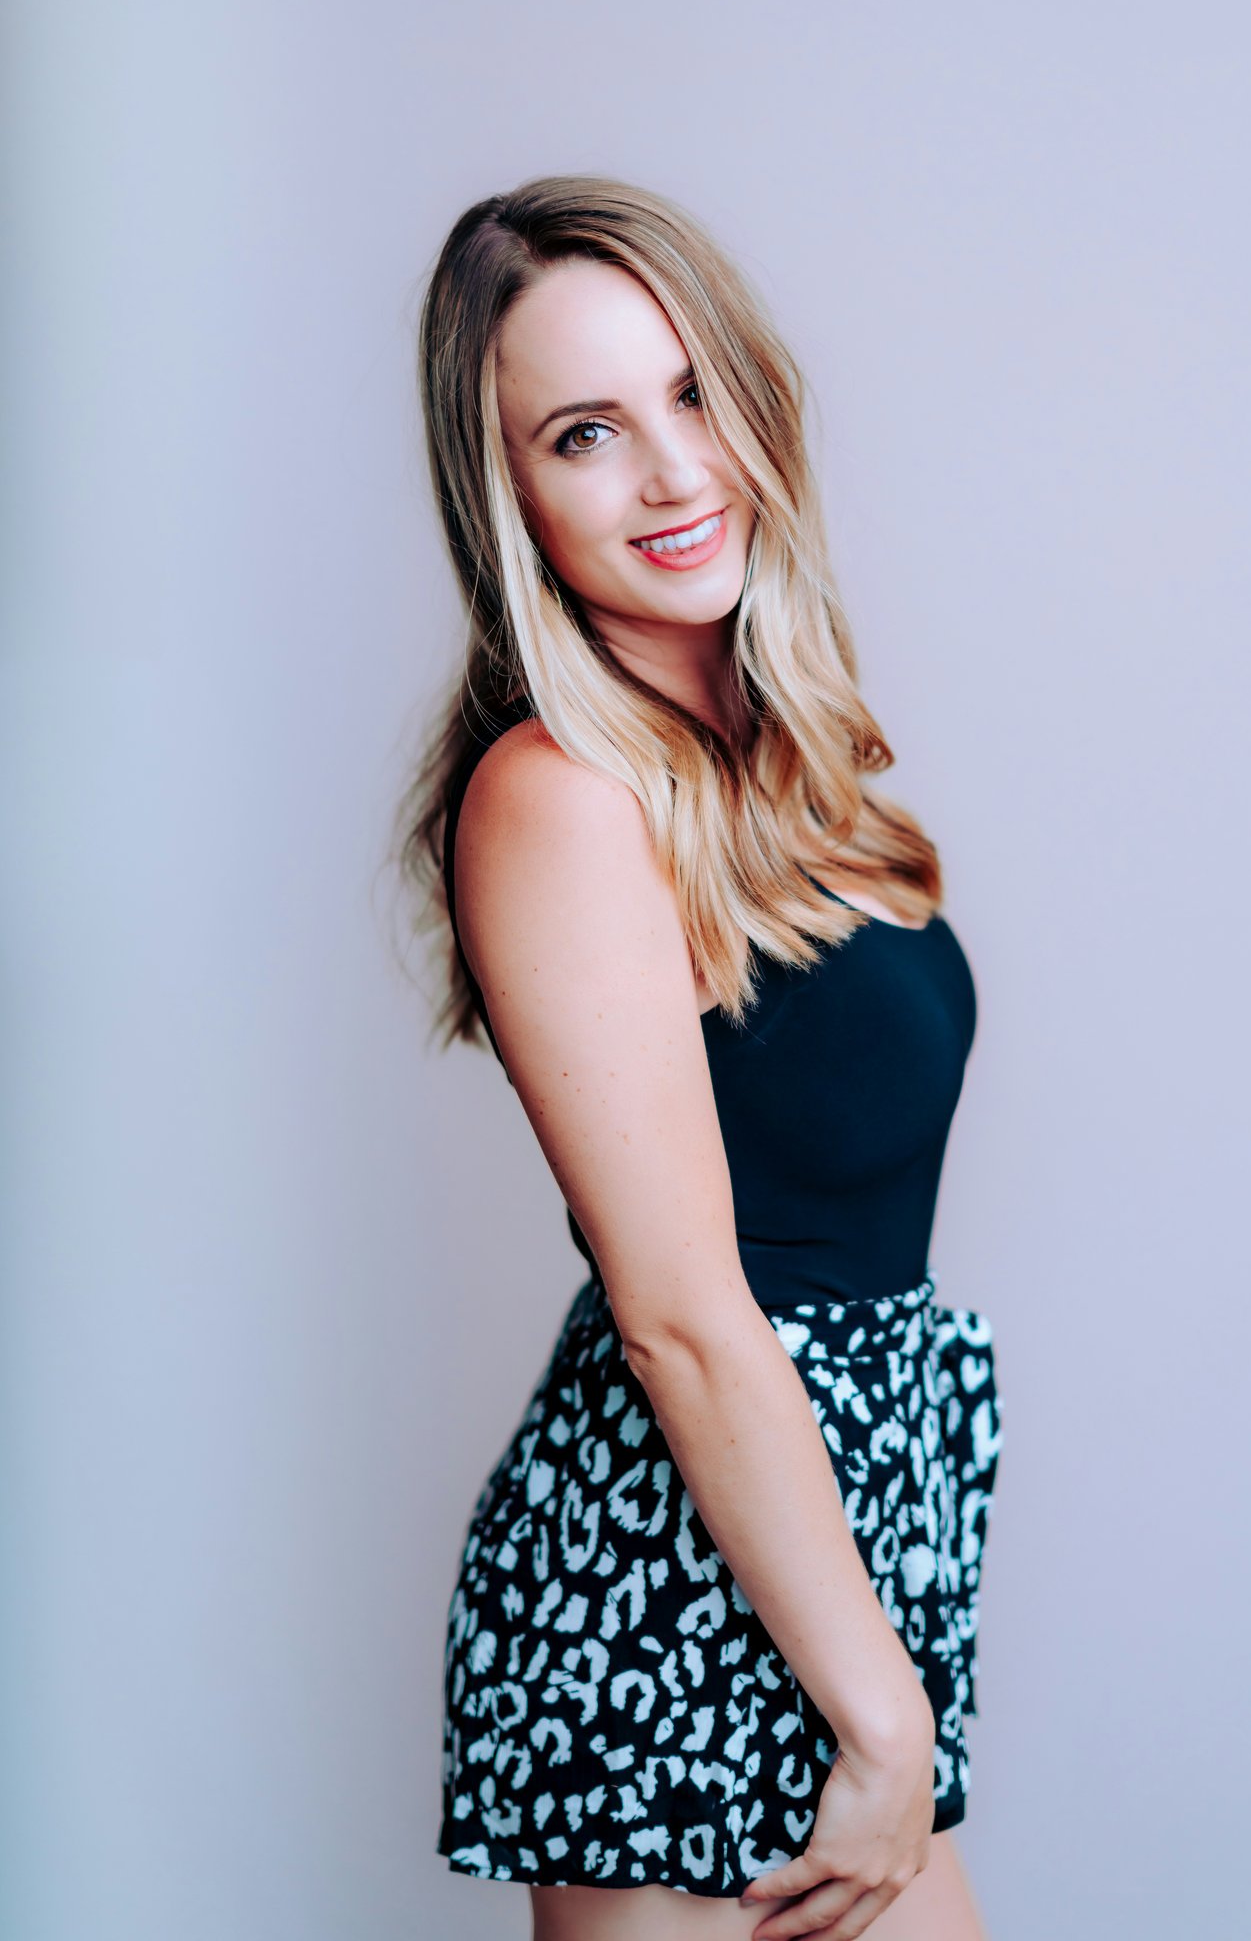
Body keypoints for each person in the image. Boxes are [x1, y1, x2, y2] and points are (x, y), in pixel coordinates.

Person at [396, 174, 1003, 1940]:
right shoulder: (561, 797)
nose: (670, 471)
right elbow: (677, 1310)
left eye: (689, 393)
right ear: (506, 492)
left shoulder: (760, 767)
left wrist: (882, 1675)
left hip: (807, 1564)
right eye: (585, 431)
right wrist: (882, 1713)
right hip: (666, 1586)